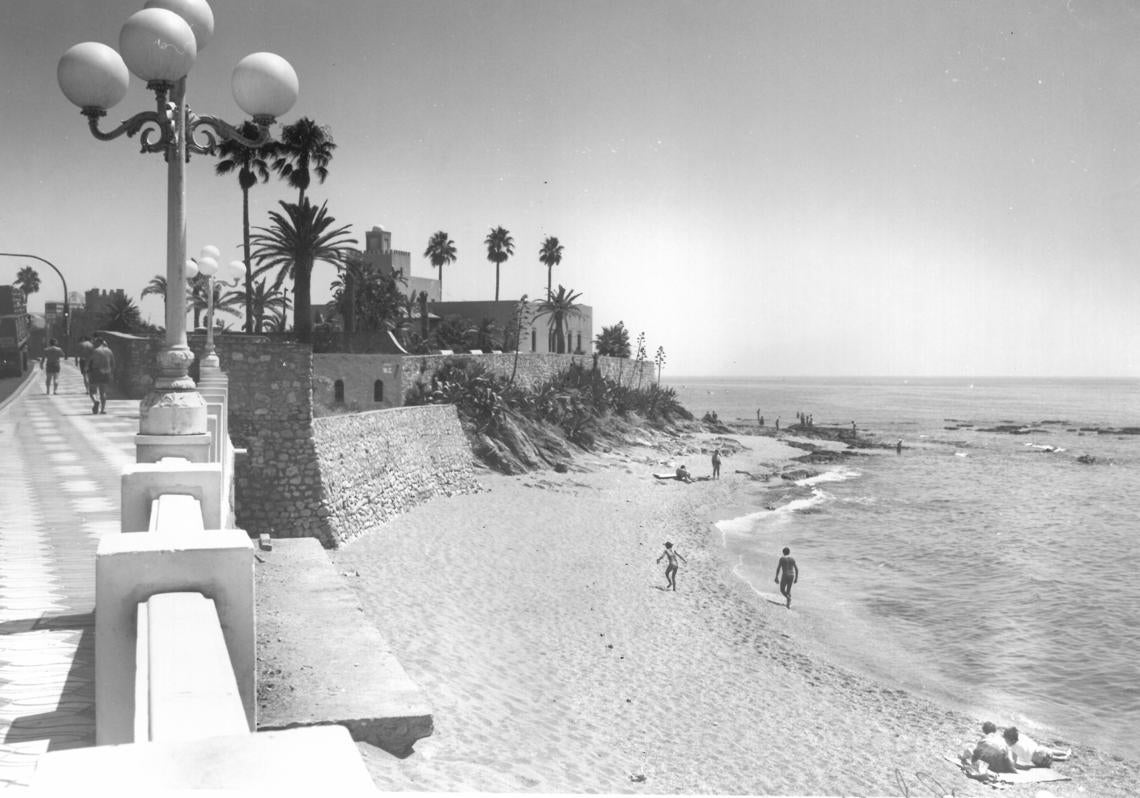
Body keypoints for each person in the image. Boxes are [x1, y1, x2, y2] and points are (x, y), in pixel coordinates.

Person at [1002, 727, 1070, 768]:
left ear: (1011, 740)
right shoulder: (1021, 736)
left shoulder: (1014, 748)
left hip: (1041, 761)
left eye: (1006, 741)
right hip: (1042, 750)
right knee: (1050, 751)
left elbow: (1014, 763)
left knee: (1050, 758)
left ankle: (1063, 758)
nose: (1006, 742)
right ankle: (1064, 753)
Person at [88, 337, 115, 414]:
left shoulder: (95, 351)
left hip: (96, 371)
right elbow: (113, 364)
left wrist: (86, 369)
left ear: (98, 342)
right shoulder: (109, 351)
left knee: (92, 391)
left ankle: (96, 401)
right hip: (106, 372)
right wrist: (111, 373)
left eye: (95, 342)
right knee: (103, 392)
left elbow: (89, 361)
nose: (94, 344)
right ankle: (102, 410)